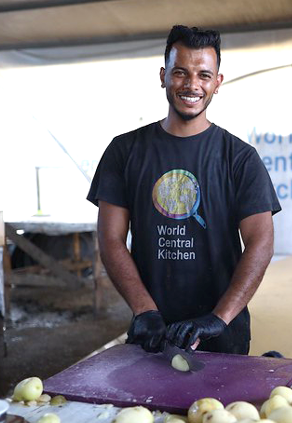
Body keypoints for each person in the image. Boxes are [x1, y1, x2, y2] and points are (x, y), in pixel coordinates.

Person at [87, 25, 280, 355]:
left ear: (217, 83)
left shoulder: (240, 158)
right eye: (180, 73)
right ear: (163, 76)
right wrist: (144, 311)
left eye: (204, 75)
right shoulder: (124, 150)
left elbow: (261, 242)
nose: (192, 85)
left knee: (220, 409)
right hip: (152, 330)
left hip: (223, 334)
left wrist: (219, 318)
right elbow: (111, 238)